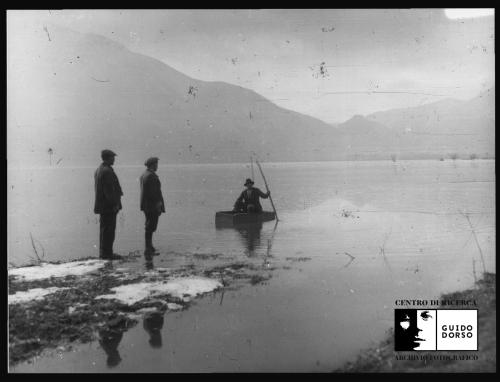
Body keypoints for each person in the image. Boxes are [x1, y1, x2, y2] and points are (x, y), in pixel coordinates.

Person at [94, 149, 123, 260]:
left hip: (102, 206)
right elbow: (109, 191)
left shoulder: (99, 170)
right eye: (112, 157)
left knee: (104, 230)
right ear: (108, 158)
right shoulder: (107, 171)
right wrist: (115, 204)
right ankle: (107, 254)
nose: (114, 159)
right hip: (108, 207)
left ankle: (104, 253)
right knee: (109, 230)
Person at [140, 157, 165, 255]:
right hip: (151, 206)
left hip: (147, 205)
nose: (157, 166)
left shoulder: (144, 174)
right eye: (156, 164)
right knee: (150, 227)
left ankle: (149, 246)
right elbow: (153, 193)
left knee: (149, 226)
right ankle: (148, 249)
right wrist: (158, 205)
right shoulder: (151, 176)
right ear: (152, 165)